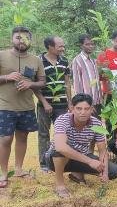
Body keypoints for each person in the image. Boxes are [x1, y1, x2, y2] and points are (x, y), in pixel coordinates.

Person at [44, 93, 117, 198]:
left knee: (114, 171)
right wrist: (90, 161)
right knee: (60, 152)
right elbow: (60, 147)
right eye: (79, 108)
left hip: (81, 157)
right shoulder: (62, 120)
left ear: (92, 109)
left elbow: (102, 151)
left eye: (86, 109)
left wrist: (105, 173)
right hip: (55, 159)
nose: (83, 112)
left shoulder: (96, 124)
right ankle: (60, 185)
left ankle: (76, 173)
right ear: (72, 108)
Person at [0, 26, 46, 188]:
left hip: (26, 106)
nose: (22, 41)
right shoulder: (2, 55)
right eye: (18, 38)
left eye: (25, 38)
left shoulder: (36, 60)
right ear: (12, 39)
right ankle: (3, 173)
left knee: (23, 137)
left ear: (30, 41)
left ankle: (19, 168)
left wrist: (30, 83)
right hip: (5, 105)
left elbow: (42, 82)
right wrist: (7, 77)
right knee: (5, 139)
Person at [35, 36, 72, 172]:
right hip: (45, 105)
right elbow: (35, 86)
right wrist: (44, 103)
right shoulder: (38, 61)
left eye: (63, 46)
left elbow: (67, 83)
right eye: (60, 46)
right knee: (43, 134)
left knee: (62, 133)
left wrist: (70, 103)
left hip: (62, 106)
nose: (63, 48)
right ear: (50, 47)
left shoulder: (64, 61)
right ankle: (44, 163)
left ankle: (60, 160)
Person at [71, 34, 103, 116]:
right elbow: (77, 85)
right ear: (81, 45)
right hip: (87, 104)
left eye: (92, 44)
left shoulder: (93, 61)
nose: (90, 46)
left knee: (97, 126)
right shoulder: (77, 61)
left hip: (97, 101)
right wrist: (84, 105)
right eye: (87, 44)